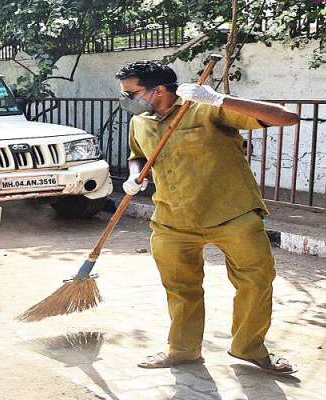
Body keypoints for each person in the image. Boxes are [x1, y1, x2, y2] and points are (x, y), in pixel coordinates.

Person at [116, 60, 300, 374]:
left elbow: (286, 117)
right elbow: (139, 157)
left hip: (232, 213)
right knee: (180, 288)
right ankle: (183, 351)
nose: (127, 100)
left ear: (158, 90)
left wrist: (218, 99)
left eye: (131, 93)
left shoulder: (204, 109)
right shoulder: (140, 123)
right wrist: (135, 177)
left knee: (256, 282)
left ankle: (249, 347)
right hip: (173, 220)